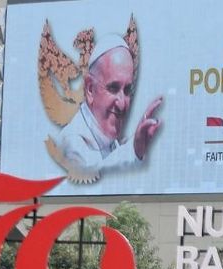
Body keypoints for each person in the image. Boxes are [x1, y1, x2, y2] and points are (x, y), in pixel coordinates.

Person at [55, 34, 163, 180]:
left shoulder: (108, 141)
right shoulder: (71, 143)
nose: (122, 103)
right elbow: (95, 184)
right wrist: (134, 149)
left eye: (127, 91)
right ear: (90, 89)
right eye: (113, 88)